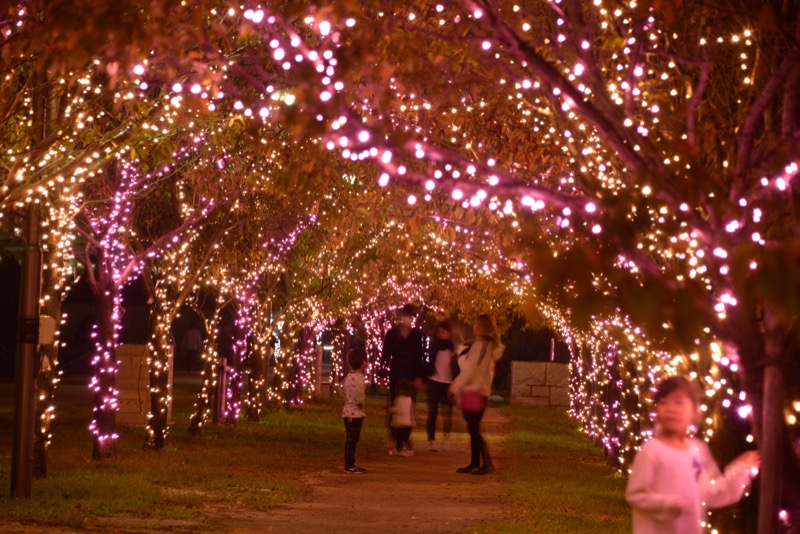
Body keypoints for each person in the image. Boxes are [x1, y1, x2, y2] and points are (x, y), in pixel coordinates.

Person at [625, 376, 760, 534]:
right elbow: (636, 494)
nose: (670, 408)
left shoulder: (697, 450)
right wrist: (669, 505)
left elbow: (711, 491)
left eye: (678, 402)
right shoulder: (652, 450)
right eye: (663, 402)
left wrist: (741, 469)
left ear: (694, 411)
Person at [449, 314, 505, 475]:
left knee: (474, 428)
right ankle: (476, 463)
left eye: (477, 325)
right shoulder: (482, 345)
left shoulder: (482, 346)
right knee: (472, 428)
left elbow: (472, 370)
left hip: (476, 390)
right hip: (475, 389)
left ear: (485, 328)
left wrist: (454, 387)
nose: (474, 328)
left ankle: (485, 463)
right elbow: (472, 367)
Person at [382, 303, 427, 441]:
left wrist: (420, 376)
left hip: (411, 374)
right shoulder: (391, 334)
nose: (409, 318)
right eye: (407, 315)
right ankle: (395, 437)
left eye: (411, 316)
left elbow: (421, 357)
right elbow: (386, 354)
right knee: (395, 405)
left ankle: (405, 438)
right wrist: (383, 369)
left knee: (409, 407)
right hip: (396, 373)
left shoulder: (417, 335)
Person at [426, 322, 455, 452]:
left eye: (444, 332)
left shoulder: (453, 349)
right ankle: (431, 441)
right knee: (432, 413)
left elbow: (457, 368)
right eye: (439, 332)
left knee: (447, 414)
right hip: (434, 382)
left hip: (448, 384)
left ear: (449, 334)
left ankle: (446, 439)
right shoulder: (434, 347)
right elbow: (428, 364)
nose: (441, 335)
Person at [342, 347, 368, 474]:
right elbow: (359, 395)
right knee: (353, 440)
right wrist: (361, 404)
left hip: (346, 413)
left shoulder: (348, 376)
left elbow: (344, 392)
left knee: (349, 439)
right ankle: (350, 464)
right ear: (363, 362)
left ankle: (348, 463)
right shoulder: (360, 378)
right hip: (355, 414)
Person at [389, 378, 416, 457]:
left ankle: (405, 449)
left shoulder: (399, 399)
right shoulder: (410, 400)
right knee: (401, 437)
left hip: (402, 423)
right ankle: (400, 449)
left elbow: (399, 409)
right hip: (405, 423)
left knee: (402, 437)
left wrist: (391, 410)